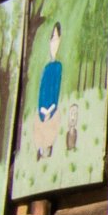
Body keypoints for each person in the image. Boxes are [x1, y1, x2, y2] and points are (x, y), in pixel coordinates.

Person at [31, 23, 65, 162]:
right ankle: (40, 149)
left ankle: (48, 148)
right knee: (38, 124)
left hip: (52, 108)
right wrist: (42, 109)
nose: (53, 43)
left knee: (52, 123)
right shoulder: (46, 68)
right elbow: (41, 91)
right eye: (52, 39)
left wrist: (50, 109)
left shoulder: (58, 67)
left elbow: (55, 91)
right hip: (42, 108)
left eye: (56, 39)